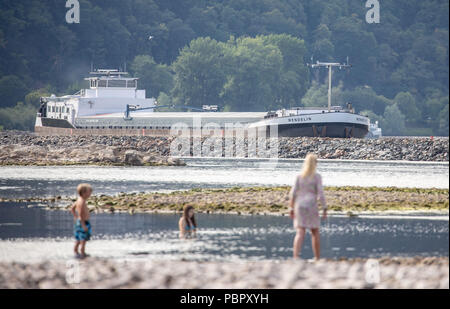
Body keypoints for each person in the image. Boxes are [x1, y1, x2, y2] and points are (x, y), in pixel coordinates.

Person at [289, 154, 327, 260]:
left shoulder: (299, 176)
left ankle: (295, 256)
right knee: (315, 232)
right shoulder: (316, 177)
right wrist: (324, 208)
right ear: (315, 164)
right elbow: (320, 194)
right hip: (311, 205)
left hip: (299, 205)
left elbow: (293, 193)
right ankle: (317, 257)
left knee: (300, 231)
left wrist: (291, 208)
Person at [70, 183, 93, 259]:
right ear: (84, 193)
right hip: (83, 222)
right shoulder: (82, 202)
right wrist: (83, 224)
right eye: (89, 192)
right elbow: (81, 213)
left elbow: (72, 209)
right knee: (83, 239)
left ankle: (76, 252)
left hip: (79, 222)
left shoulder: (78, 200)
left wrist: (75, 217)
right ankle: (82, 253)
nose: (90, 194)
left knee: (78, 239)